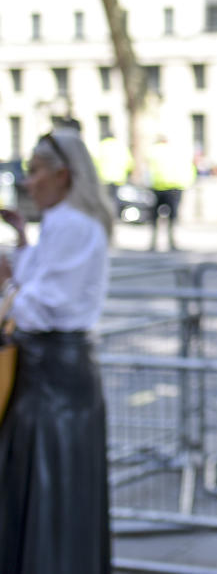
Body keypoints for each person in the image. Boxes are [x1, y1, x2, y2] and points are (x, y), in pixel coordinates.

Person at [0, 129, 114, 573]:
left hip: (50, 376)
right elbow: (50, 289)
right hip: (63, 373)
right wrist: (24, 243)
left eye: (35, 171)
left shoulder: (69, 222)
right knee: (64, 486)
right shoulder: (72, 221)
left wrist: (7, 283)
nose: (28, 182)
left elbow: (43, 306)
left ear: (62, 174)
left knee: (44, 484)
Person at [146, 134, 196, 251]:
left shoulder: (153, 151)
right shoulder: (176, 151)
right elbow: (187, 167)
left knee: (154, 217)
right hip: (174, 186)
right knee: (173, 216)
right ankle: (172, 242)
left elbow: (147, 168)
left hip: (157, 186)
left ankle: (153, 243)